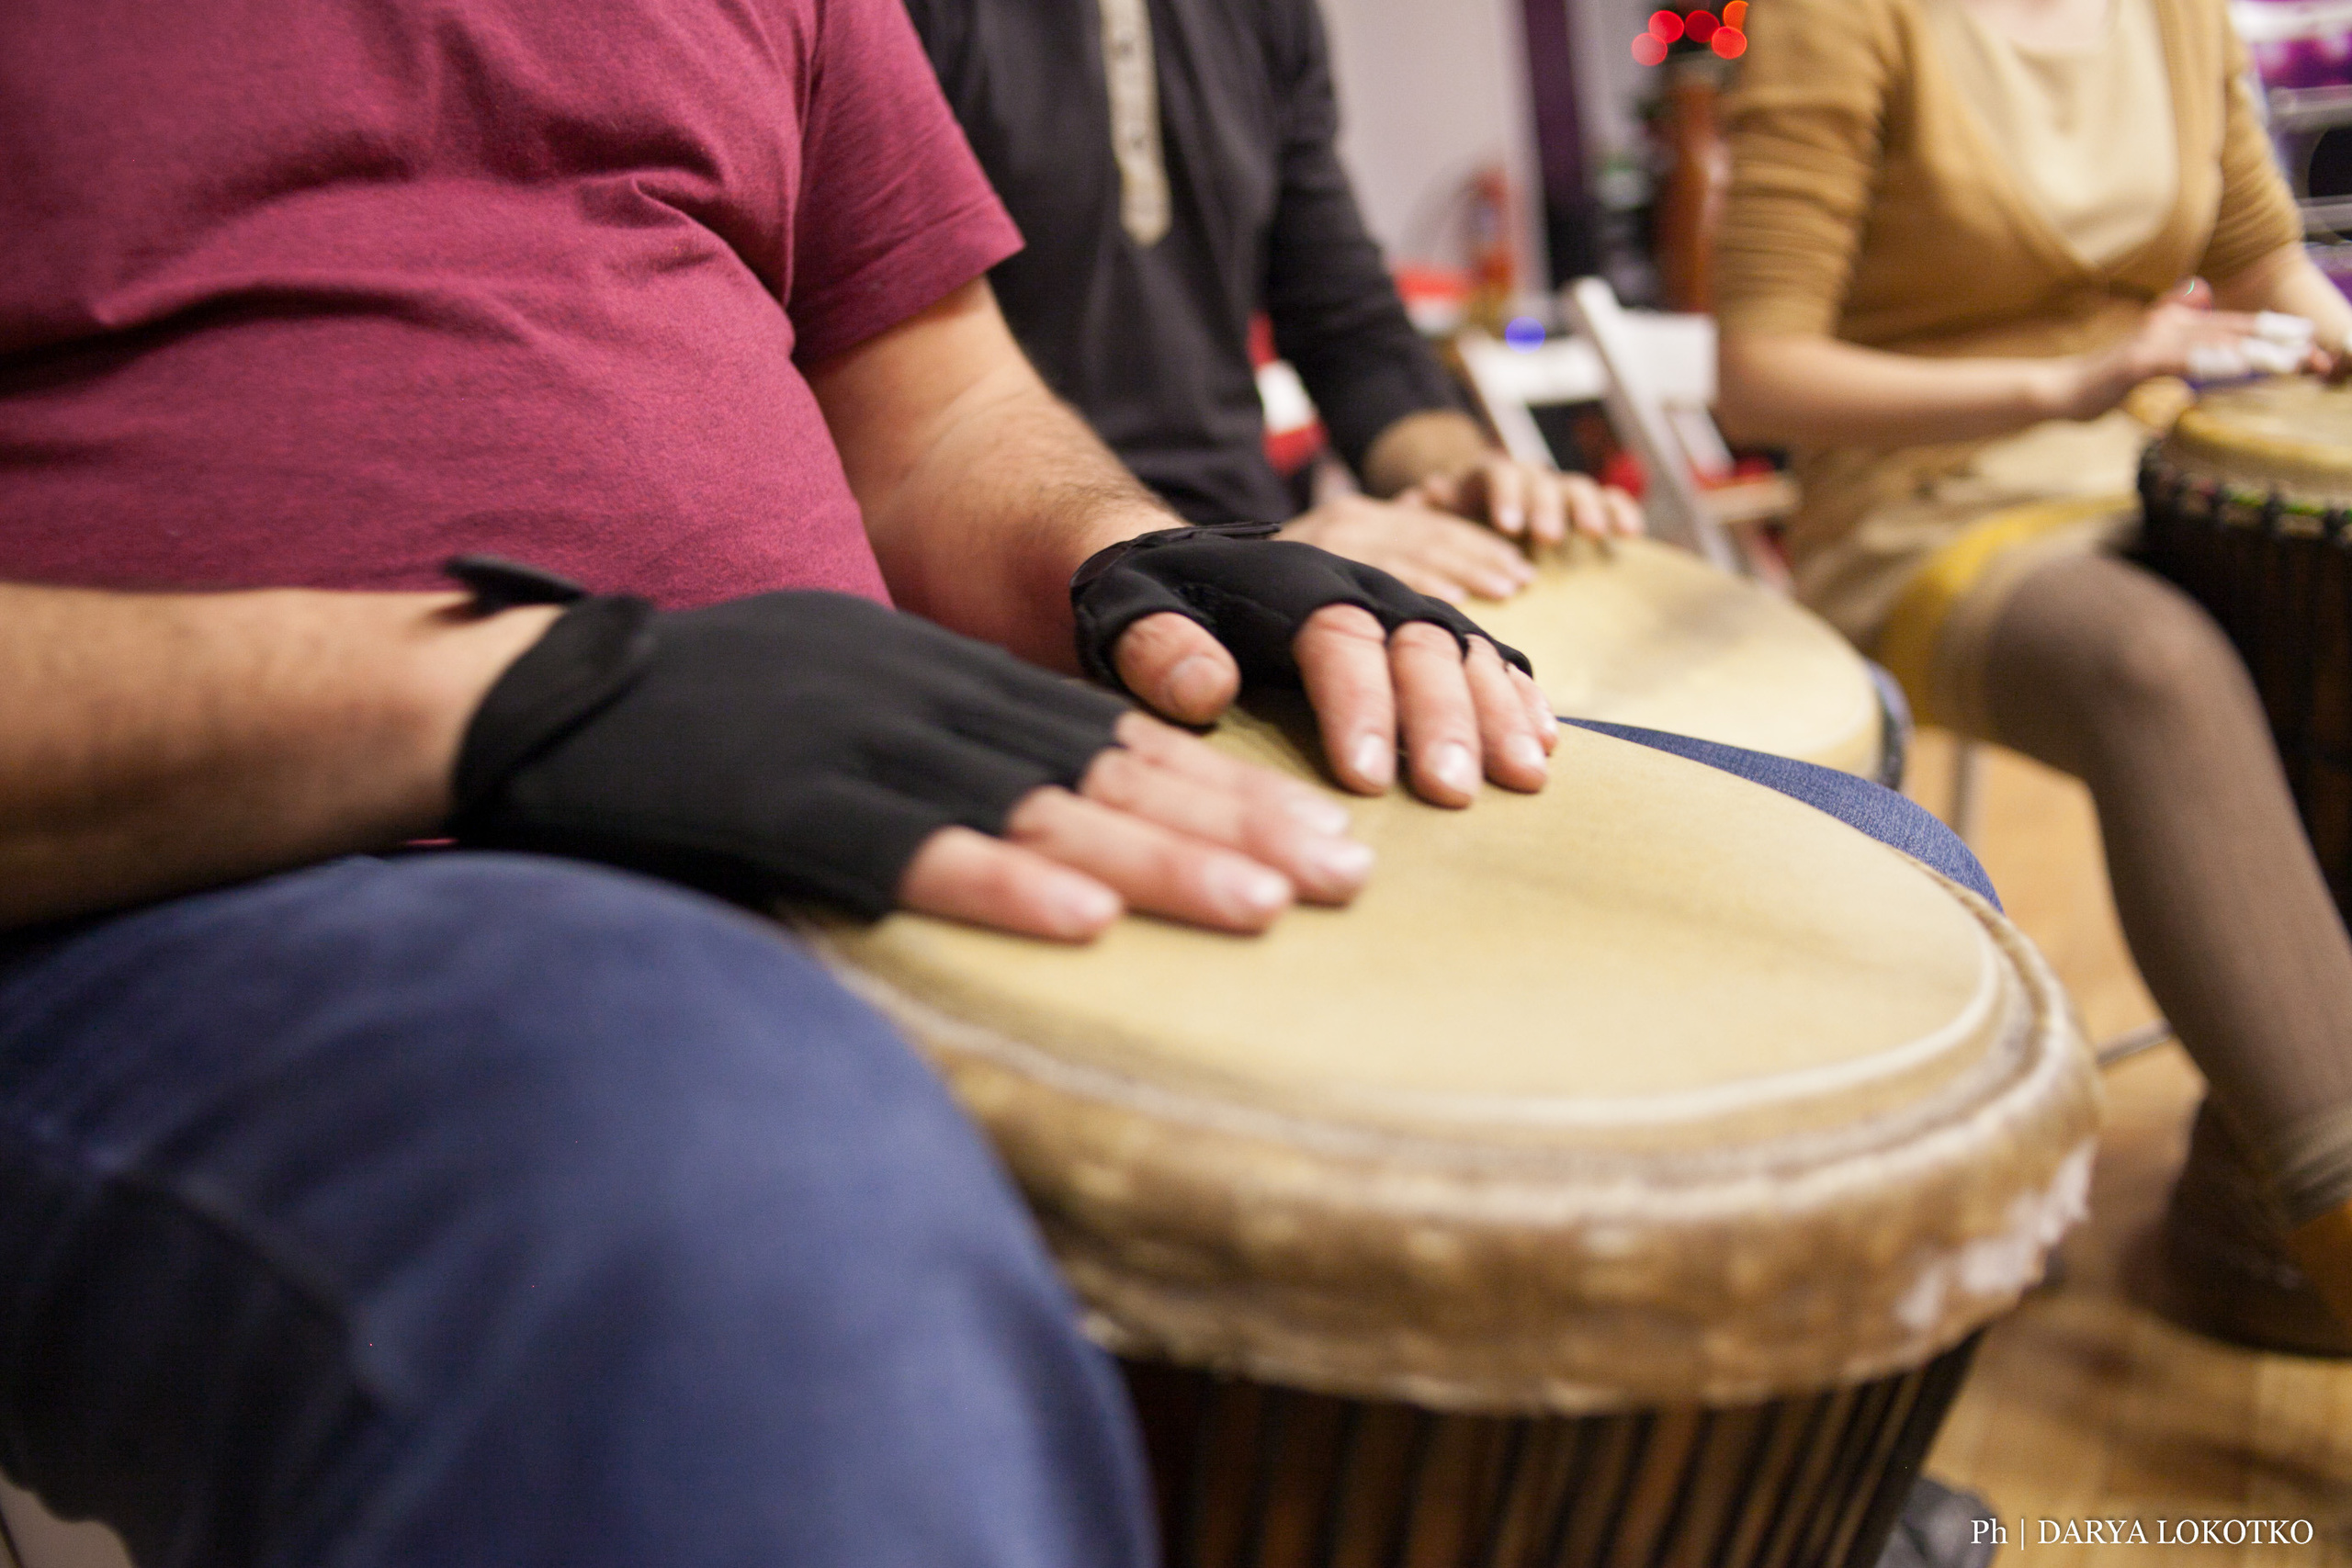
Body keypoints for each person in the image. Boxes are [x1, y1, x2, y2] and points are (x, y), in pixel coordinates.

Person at [0, 2, 1991, 1565]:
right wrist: (501, 688)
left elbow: (936, 407)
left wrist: (1123, 555)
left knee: (1847, 889)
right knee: (715, 1178)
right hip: (234, 862)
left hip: (816, 753)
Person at [1713, 0, 2352, 1348]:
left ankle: (2271, 1121)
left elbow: (2263, 266)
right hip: (1921, 513)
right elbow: (1761, 377)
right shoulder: (1840, 19)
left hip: (2147, 466)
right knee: (2154, 668)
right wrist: (2072, 379)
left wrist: (2323, 330)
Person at [902, 0, 1643, 608]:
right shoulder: (889, 20)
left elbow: (1347, 325)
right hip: (1018, 590)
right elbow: (911, 431)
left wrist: (1460, 477)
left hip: (1256, 552)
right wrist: (1220, 562)